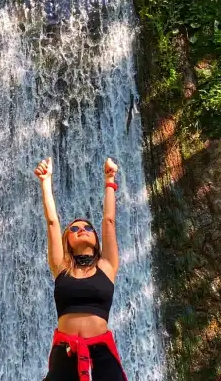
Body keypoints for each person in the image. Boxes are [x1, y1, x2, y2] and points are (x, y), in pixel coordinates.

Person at [35, 156, 127, 381]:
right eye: (74, 228)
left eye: (87, 227)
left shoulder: (107, 265)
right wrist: (45, 182)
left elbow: (108, 220)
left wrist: (110, 180)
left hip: (101, 355)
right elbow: (52, 222)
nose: (82, 229)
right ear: (67, 241)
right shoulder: (61, 267)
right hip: (65, 354)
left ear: (97, 239)